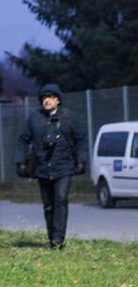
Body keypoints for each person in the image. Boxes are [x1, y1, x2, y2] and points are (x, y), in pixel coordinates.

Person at [15, 84, 88, 249]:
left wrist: (82, 161)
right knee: (48, 205)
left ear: (58, 99)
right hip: (42, 167)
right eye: (44, 97)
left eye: (50, 97)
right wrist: (19, 161)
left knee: (61, 200)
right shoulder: (34, 117)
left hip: (64, 166)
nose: (46, 100)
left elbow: (81, 141)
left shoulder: (70, 117)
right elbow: (23, 140)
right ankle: (51, 239)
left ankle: (58, 240)